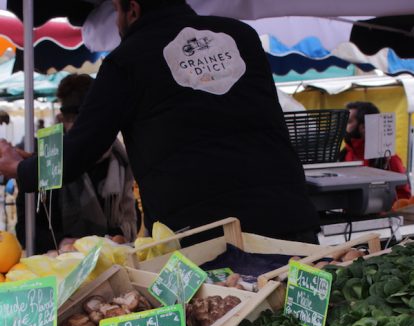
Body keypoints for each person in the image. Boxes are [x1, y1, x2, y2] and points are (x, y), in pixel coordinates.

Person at [0, 0, 319, 245]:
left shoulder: (127, 60)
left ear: (133, 9)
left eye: (115, 10)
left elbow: (85, 146)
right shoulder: (241, 37)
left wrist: (22, 170)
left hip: (204, 234)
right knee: (296, 325)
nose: (117, 21)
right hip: (288, 217)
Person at [15, 73, 138, 253]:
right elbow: (25, 231)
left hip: (109, 264)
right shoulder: (47, 162)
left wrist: (118, 236)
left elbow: (131, 215)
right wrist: (62, 242)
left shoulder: (119, 161)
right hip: (57, 267)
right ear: (63, 120)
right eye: (69, 121)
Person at [339, 101, 411, 200]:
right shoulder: (342, 156)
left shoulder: (388, 158)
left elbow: (404, 197)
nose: (343, 127)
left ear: (363, 126)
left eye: (348, 122)